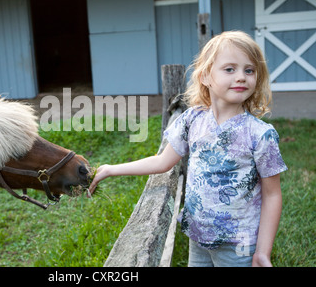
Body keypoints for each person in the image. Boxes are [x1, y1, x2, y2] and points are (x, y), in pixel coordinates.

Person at [88, 31, 287, 267]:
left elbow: (272, 194)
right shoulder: (193, 120)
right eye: (230, 69)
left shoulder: (260, 134)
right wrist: (111, 169)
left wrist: (263, 252)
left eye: (249, 70)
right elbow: (162, 162)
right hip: (198, 237)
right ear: (205, 76)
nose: (241, 77)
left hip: (238, 246)